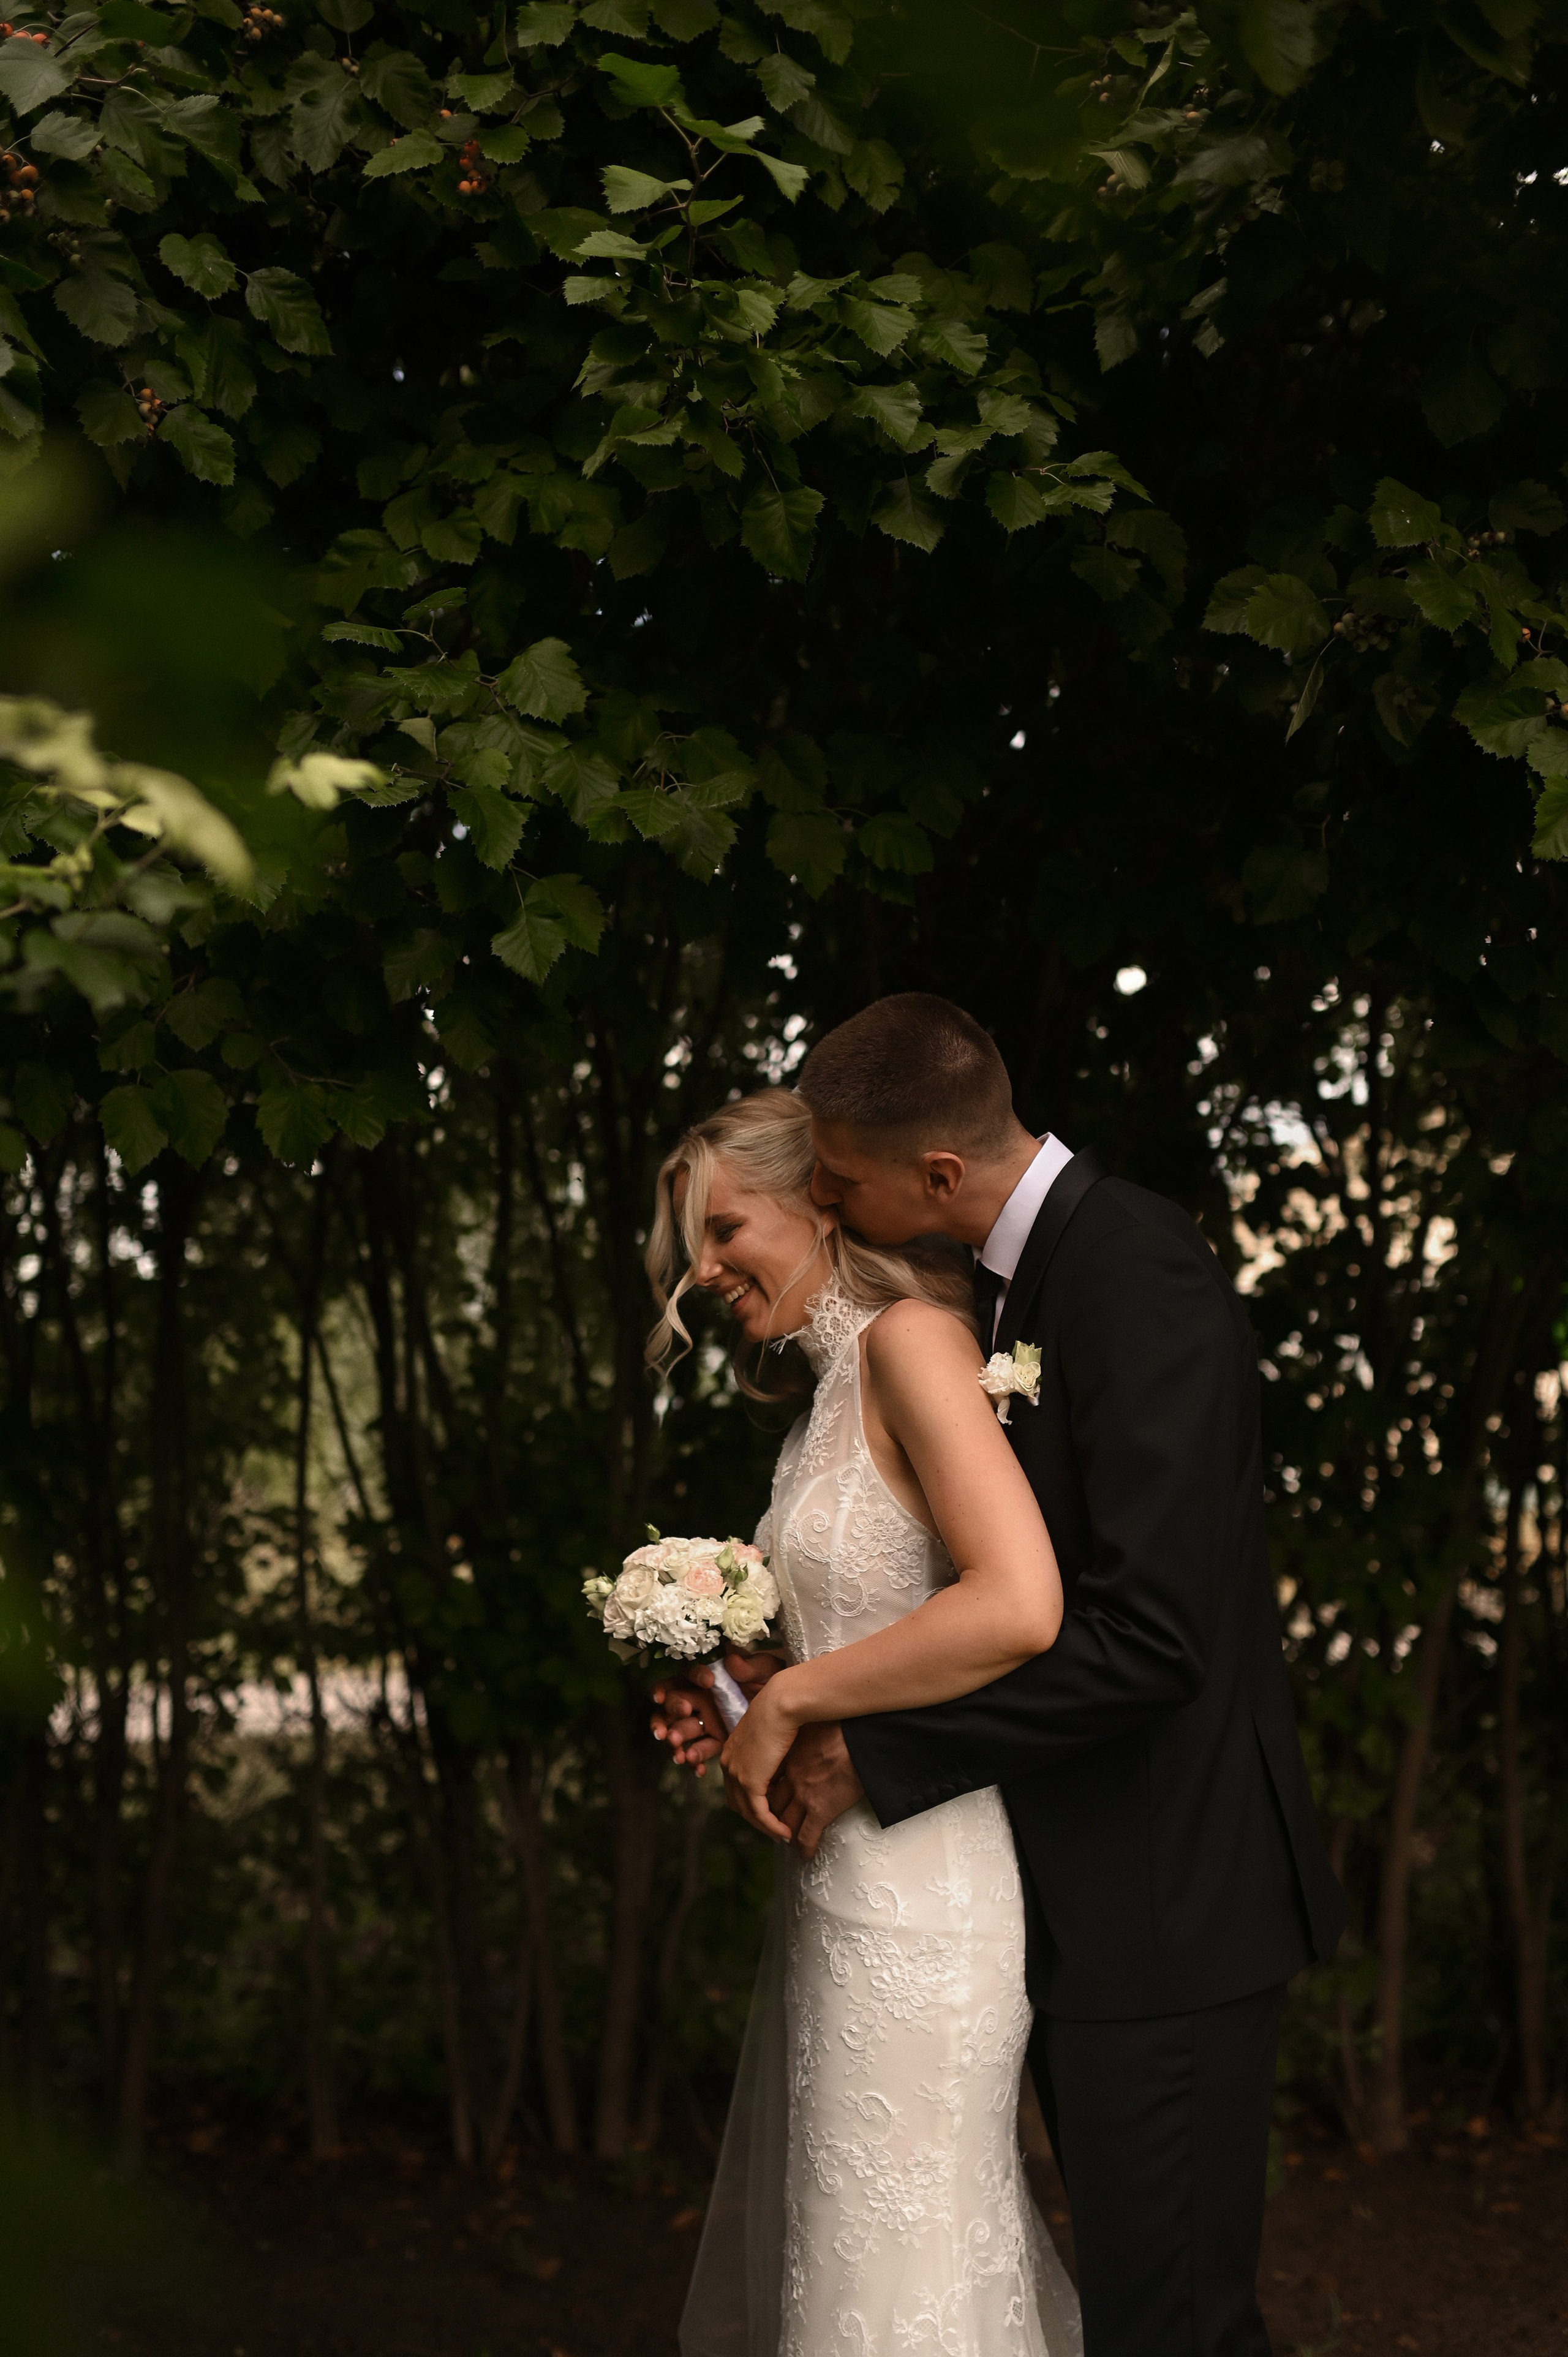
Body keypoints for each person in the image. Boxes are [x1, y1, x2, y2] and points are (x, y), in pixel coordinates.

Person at [654, 993, 1346, 2357]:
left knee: (1175, 2327)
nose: (827, 1200)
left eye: (833, 1180)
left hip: (1169, 1889)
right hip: (1051, 1876)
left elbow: (1150, 1633)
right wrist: (761, 1676)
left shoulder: (1130, 1266)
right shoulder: (998, 1289)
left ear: (934, 1171)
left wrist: (855, 1733)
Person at [645, 1087, 1083, 2357]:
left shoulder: (912, 1343)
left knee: (903, 2250)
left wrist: (792, 1697)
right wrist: (743, 1682)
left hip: (927, 1884)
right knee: (847, 2251)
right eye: (692, 1246)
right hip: (836, 1876)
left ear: (817, 1199)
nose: (704, 1271)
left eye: (725, 1228)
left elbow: (1016, 1603)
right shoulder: (823, 1400)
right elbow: (874, 1633)